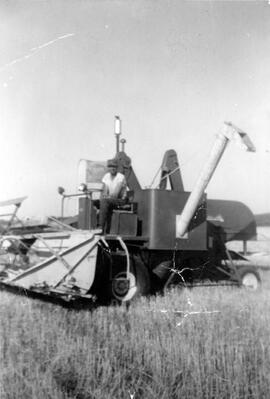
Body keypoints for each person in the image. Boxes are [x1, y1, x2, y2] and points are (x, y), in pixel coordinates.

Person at [99, 158, 127, 234]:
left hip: (120, 200)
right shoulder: (106, 176)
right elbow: (104, 191)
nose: (113, 168)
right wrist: (104, 196)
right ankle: (92, 227)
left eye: (114, 166)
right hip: (111, 200)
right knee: (94, 202)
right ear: (108, 168)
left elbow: (116, 194)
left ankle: (101, 228)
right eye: (111, 166)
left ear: (117, 168)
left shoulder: (120, 177)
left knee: (104, 201)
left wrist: (106, 197)